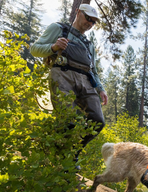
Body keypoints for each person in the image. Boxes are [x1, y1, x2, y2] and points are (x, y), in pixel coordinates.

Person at [31, 4, 108, 170]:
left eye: (94, 22)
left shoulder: (89, 45)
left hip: (85, 80)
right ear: (78, 13)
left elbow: (93, 69)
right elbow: (34, 49)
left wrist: (101, 89)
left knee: (97, 121)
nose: (90, 23)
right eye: (88, 18)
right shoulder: (58, 29)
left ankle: (72, 154)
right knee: (68, 120)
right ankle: (61, 161)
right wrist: (53, 47)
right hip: (62, 74)